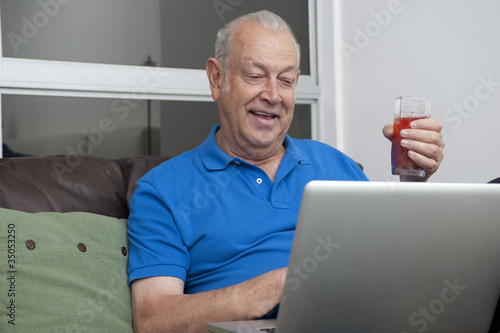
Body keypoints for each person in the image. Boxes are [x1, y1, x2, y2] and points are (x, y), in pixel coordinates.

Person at [127, 10, 444, 332]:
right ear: (216, 78)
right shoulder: (163, 189)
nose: (273, 95)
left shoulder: (336, 164)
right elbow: (154, 320)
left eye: (287, 80)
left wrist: (412, 180)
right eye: (254, 75)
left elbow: (394, 258)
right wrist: (278, 286)